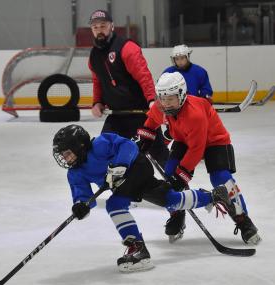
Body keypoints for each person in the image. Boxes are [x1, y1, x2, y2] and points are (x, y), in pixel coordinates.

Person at [53, 124, 235, 272]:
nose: (65, 159)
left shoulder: (101, 143)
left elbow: (129, 146)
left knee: (115, 204)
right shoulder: (75, 173)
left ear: (80, 146)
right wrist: (81, 206)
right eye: (63, 155)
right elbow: (84, 196)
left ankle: (138, 249)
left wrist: (121, 165)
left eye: (67, 153)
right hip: (124, 182)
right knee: (171, 200)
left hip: (137, 167)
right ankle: (212, 196)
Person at [135, 72, 262, 245]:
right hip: (184, 140)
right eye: (162, 98)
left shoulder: (194, 114)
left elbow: (197, 149)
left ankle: (243, 220)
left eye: (170, 99)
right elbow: (150, 122)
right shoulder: (160, 107)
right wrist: (146, 139)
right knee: (169, 175)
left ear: (181, 94)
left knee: (221, 179)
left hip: (215, 141)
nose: (165, 103)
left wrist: (182, 175)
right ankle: (177, 213)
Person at [87, 9, 168, 166]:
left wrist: (152, 100)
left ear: (112, 26)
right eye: (95, 27)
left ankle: (178, 186)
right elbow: (98, 82)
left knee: (159, 155)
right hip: (116, 116)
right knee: (105, 150)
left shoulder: (127, 48)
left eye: (103, 26)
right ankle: (123, 188)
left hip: (141, 114)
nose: (99, 30)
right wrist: (97, 102)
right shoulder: (93, 56)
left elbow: (144, 76)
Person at [160, 44, 214, 242]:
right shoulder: (168, 74)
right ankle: (176, 213)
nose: (180, 61)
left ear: (188, 56)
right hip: (178, 127)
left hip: (193, 120)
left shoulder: (200, 72)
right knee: (169, 176)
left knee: (181, 172)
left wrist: (202, 101)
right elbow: (162, 100)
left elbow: (207, 92)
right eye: (177, 58)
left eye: (183, 58)